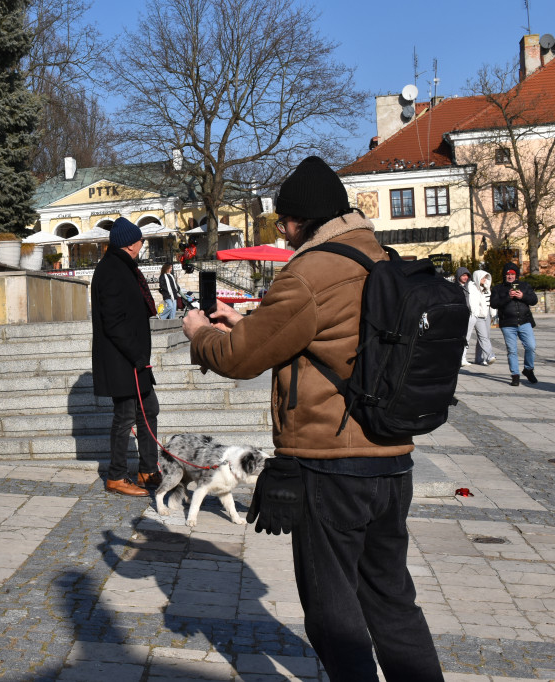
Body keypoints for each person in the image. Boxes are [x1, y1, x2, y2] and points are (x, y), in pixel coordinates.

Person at [182, 156, 444, 681]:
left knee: (332, 612)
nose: (282, 232)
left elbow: (238, 358)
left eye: (283, 222)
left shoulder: (310, 270)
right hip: (393, 459)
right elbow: (332, 336)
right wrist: (246, 321)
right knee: (392, 600)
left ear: (300, 220)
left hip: (334, 465)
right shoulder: (383, 259)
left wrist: (200, 333)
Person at [91, 217, 163, 496]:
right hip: (123, 359)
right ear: (131, 244)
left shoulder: (124, 266)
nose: (142, 244)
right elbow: (114, 322)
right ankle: (117, 476)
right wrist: (135, 355)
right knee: (124, 417)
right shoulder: (111, 269)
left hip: (135, 358)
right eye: (140, 240)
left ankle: (147, 469)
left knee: (149, 410)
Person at [491, 262, 538, 385]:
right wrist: (508, 296)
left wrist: (522, 296)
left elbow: (534, 300)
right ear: (504, 276)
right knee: (512, 350)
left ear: (516, 275)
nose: (510, 276)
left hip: (524, 322)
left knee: (531, 346)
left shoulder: (524, 286)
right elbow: (494, 304)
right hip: (507, 324)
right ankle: (515, 375)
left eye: (512, 274)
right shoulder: (498, 288)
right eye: (508, 274)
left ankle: (528, 369)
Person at [469, 269, 497, 365]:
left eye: (486, 277)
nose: (485, 279)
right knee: (483, 337)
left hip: (487, 314)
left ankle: (479, 358)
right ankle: (489, 356)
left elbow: (490, 302)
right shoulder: (472, 288)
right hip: (478, 315)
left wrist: (493, 313)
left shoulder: (486, 288)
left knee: (485, 336)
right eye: (483, 277)